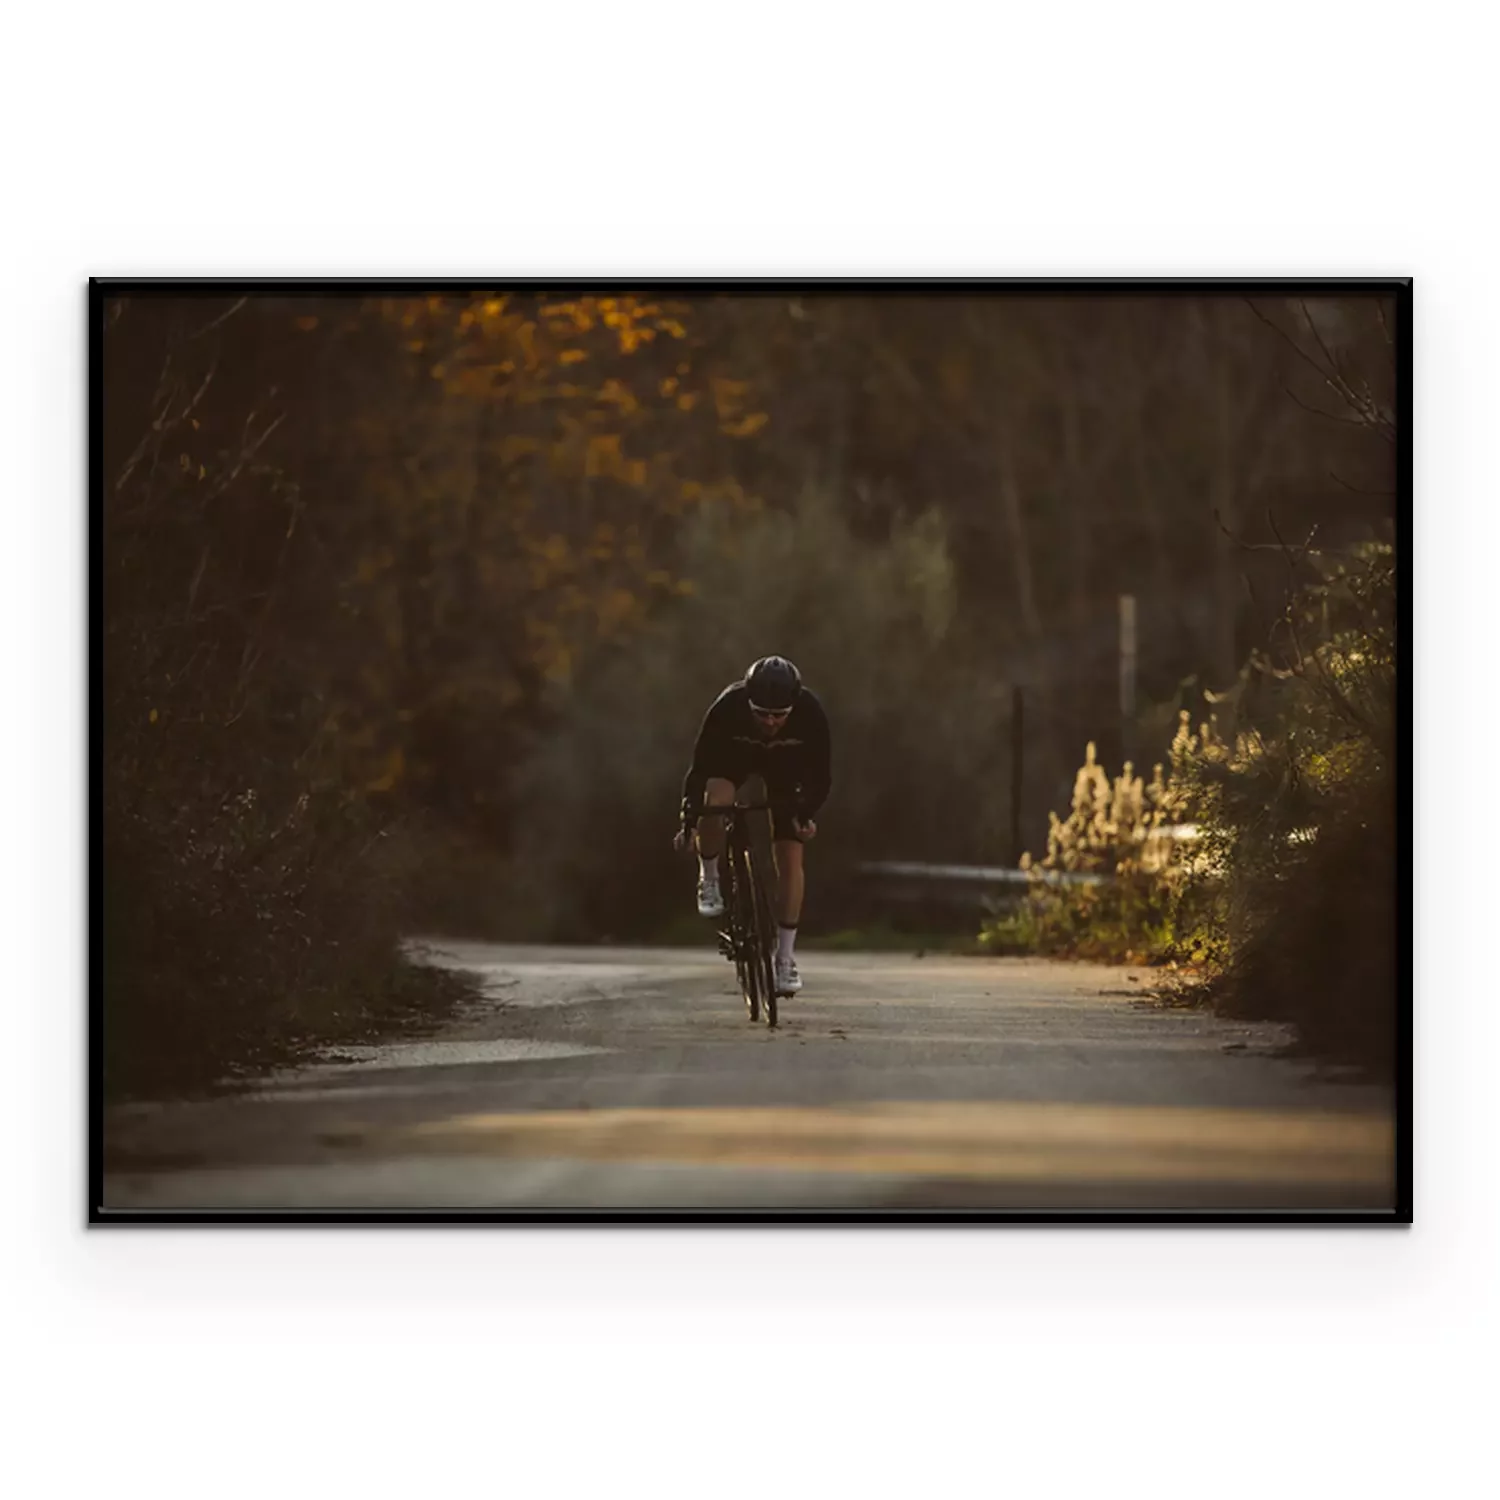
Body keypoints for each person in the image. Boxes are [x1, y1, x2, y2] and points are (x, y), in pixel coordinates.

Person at [674, 655, 831, 996]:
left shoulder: (810, 713)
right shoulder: (727, 707)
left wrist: (806, 814)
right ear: (747, 701)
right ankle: (709, 876)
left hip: (786, 770)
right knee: (716, 799)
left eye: (779, 715)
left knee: (790, 855)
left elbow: (821, 776)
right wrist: (689, 819)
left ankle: (785, 959)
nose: (770, 722)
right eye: (761, 714)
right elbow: (699, 770)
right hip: (733, 760)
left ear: (794, 706)